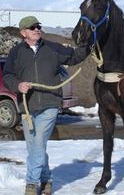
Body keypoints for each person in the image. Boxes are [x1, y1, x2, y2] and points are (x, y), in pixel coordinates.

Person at [3, 16, 89, 195]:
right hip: (27, 106)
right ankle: (46, 179)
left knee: (39, 142)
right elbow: (8, 75)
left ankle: (32, 183)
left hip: (50, 103)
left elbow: (73, 56)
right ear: (23, 32)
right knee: (34, 146)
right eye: (32, 27)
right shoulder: (16, 52)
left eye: (38, 26)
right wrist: (17, 85)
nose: (37, 29)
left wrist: (89, 45)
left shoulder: (52, 48)